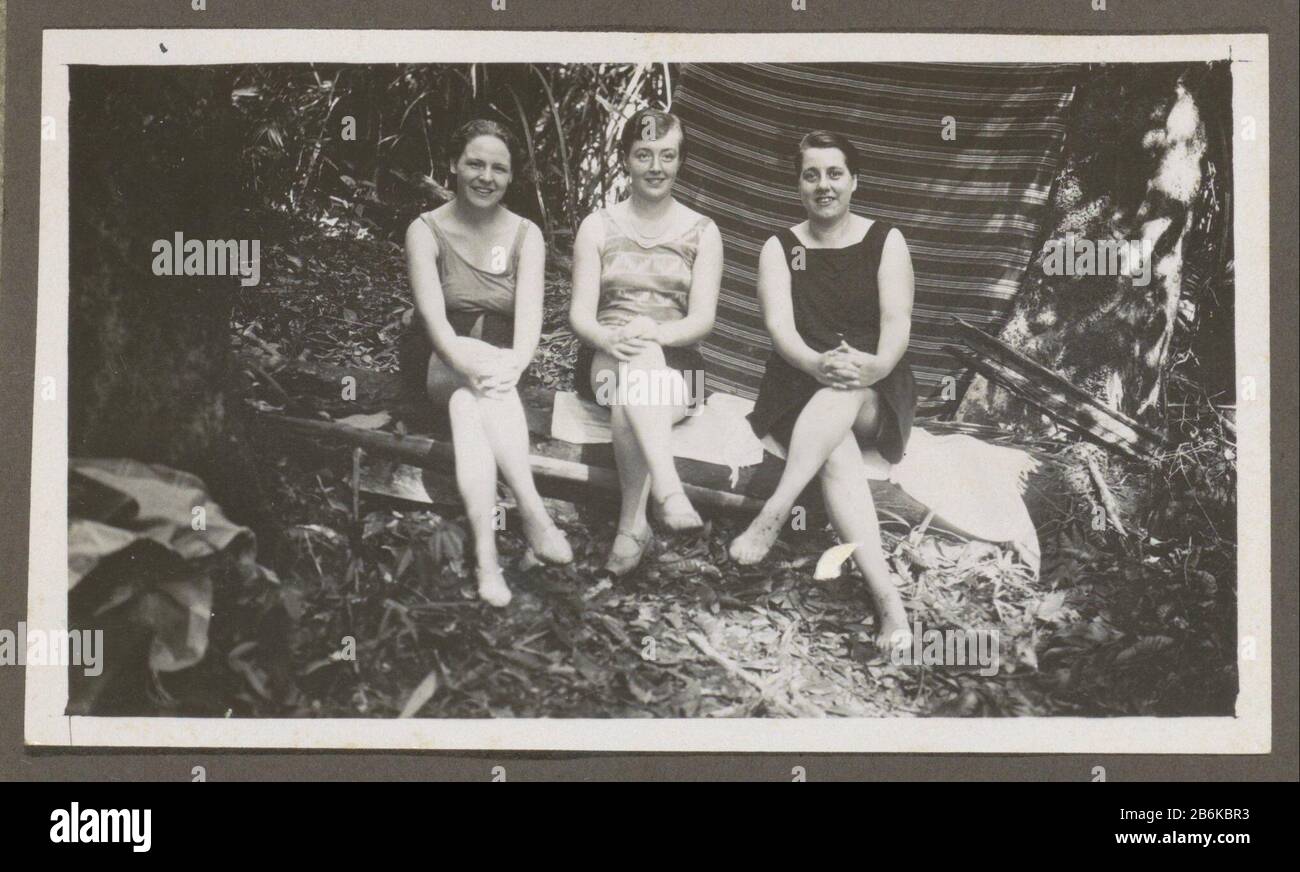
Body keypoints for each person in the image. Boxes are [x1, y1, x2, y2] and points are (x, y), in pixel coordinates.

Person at [731, 130, 918, 654]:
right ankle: (889, 604)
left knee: (845, 394)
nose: (823, 185)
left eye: (834, 173)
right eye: (811, 174)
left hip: (876, 386)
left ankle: (774, 509)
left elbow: (896, 321)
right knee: (836, 450)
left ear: (854, 181)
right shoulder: (779, 247)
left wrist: (873, 366)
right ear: (798, 185)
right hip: (797, 381)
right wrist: (817, 362)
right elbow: (780, 330)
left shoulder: (886, 240)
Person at [401, 119, 572, 608]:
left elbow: (530, 323)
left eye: (499, 168)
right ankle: (534, 512)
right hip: (437, 356)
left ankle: (485, 555)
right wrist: (470, 362)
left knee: (467, 409)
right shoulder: (426, 229)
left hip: (498, 370)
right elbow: (433, 320)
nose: (485, 176)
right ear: (453, 165)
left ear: (512, 177)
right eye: (475, 163)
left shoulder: (526, 234)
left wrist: (513, 365)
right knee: (469, 377)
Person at [568, 108, 723, 576]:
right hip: (606, 354)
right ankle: (668, 493)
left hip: (681, 364)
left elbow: (702, 321)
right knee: (637, 364)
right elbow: (579, 314)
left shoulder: (703, 231)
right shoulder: (598, 226)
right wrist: (610, 338)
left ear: (680, 162)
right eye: (644, 155)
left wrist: (654, 332)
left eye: (667, 155)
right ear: (625, 160)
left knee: (636, 384)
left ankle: (631, 528)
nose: (656, 166)